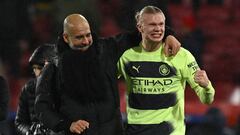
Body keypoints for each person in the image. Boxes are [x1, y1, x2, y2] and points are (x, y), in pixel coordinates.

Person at [34, 13, 181, 135]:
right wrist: (66, 125)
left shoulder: (106, 50)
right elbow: (41, 107)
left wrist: (168, 35)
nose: (86, 41)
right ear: (66, 38)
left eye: (88, 35)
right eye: (79, 37)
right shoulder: (53, 66)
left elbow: (136, 36)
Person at [117, 6, 215, 135]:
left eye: (161, 24)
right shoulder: (126, 57)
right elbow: (104, 83)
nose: (158, 29)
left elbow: (206, 99)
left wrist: (207, 86)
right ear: (140, 27)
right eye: (152, 24)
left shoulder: (182, 56)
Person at [14, 44, 60, 135]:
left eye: (40, 67)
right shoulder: (29, 89)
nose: (37, 72)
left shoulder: (66, 89)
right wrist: (30, 131)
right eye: (35, 68)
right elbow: (19, 122)